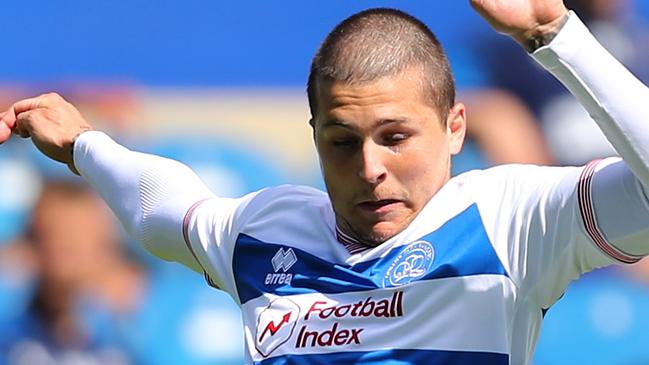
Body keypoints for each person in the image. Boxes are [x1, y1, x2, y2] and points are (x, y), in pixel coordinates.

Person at [1, 0, 648, 364]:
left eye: (395, 136)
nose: (369, 167)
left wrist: (555, 36)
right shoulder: (263, 232)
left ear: (455, 128)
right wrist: (86, 145)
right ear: (314, 136)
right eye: (342, 142)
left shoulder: (514, 218)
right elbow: (162, 208)